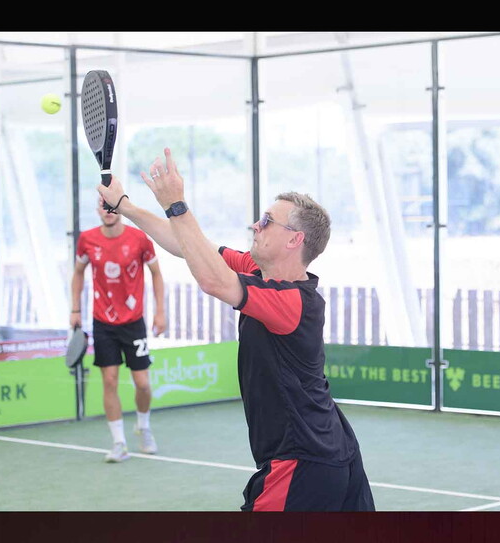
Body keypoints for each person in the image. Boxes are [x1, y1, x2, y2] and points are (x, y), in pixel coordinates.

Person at [96, 148, 375, 511]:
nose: (256, 225)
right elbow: (189, 246)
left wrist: (176, 205)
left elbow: (213, 280)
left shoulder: (294, 301)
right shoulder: (259, 271)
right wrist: (125, 205)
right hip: (330, 450)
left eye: (267, 221)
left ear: (294, 240)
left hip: (302, 462)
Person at [71, 196, 167, 463]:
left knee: (143, 384)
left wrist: (160, 311)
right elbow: (78, 273)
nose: (109, 211)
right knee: (110, 381)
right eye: (104, 206)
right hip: (103, 323)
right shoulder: (87, 240)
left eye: (113, 206)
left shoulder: (139, 239)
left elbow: (156, 274)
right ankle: (119, 443)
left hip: (133, 322)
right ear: (98, 210)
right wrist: (75, 309)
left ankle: (143, 427)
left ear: (120, 209)